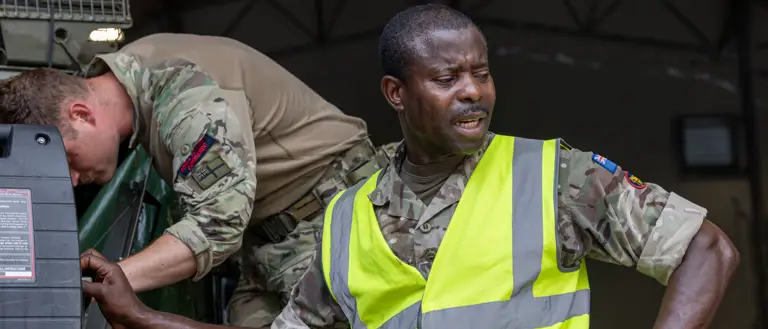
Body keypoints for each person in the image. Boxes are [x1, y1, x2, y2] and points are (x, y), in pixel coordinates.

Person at [77, 4, 739, 329]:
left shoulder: (553, 179)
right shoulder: (345, 222)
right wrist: (141, 314)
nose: (473, 90)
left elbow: (707, 248)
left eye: (480, 72)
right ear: (397, 94)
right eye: (447, 76)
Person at [0, 33, 395, 327]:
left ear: (81, 114)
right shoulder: (131, 78)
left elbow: (217, 225)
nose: (69, 179)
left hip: (336, 223)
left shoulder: (189, 99)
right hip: (271, 243)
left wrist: (91, 284)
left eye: (66, 158)